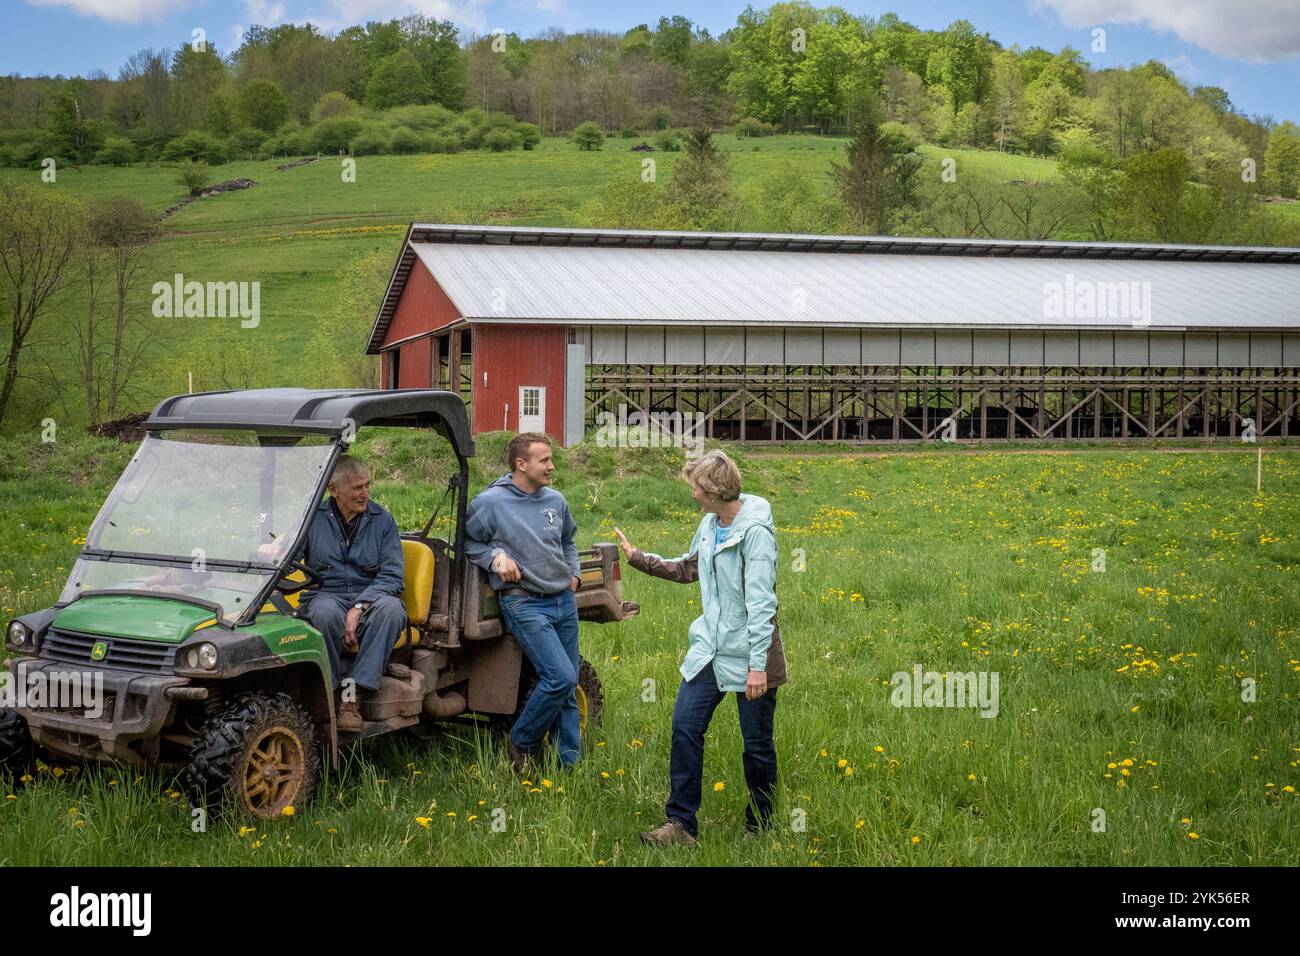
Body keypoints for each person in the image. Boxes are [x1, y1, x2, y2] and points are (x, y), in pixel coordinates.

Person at [614, 449, 786, 847]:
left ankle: (759, 827)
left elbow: (762, 607)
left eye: (696, 487)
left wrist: (757, 668)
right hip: (710, 650)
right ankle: (681, 825)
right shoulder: (711, 524)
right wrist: (640, 559)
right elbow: (690, 567)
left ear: (712, 490)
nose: (692, 494)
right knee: (685, 728)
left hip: (750, 655)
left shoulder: (756, 533)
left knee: (756, 746)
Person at [464, 432, 582, 772]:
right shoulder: (491, 503)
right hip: (524, 603)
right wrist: (495, 557)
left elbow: (569, 540)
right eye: (544, 460)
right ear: (521, 464)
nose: (552, 466)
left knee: (569, 684)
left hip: (563, 599)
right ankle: (522, 740)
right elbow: (469, 542)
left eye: (550, 459)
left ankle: (568, 766)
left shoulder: (555, 500)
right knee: (559, 676)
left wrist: (573, 574)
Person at [282, 455, 406, 733]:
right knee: (323, 612)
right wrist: (274, 552)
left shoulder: (382, 520)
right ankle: (328, 692)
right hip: (327, 593)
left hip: (372, 595)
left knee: (392, 610)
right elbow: (289, 558)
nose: (365, 493)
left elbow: (392, 576)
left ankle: (353, 697)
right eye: (357, 488)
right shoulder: (312, 519)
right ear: (334, 490)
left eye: (367, 485)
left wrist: (360, 606)